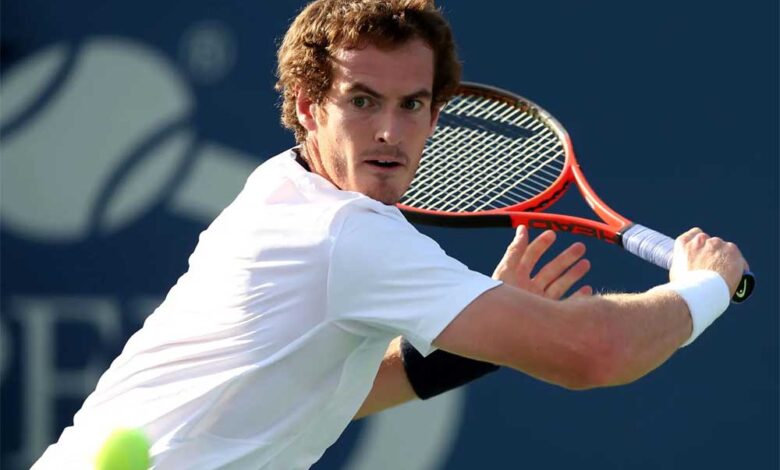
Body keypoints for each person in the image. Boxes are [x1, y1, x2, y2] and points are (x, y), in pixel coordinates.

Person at [32, 0, 749, 468]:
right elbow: (594, 354)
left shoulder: (281, 188)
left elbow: (319, 391)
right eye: (362, 101)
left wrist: (474, 339)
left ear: (435, 116)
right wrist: (703, 288)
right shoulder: (346, 234)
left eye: (412, 105)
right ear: (308, 108)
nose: (389, 131)